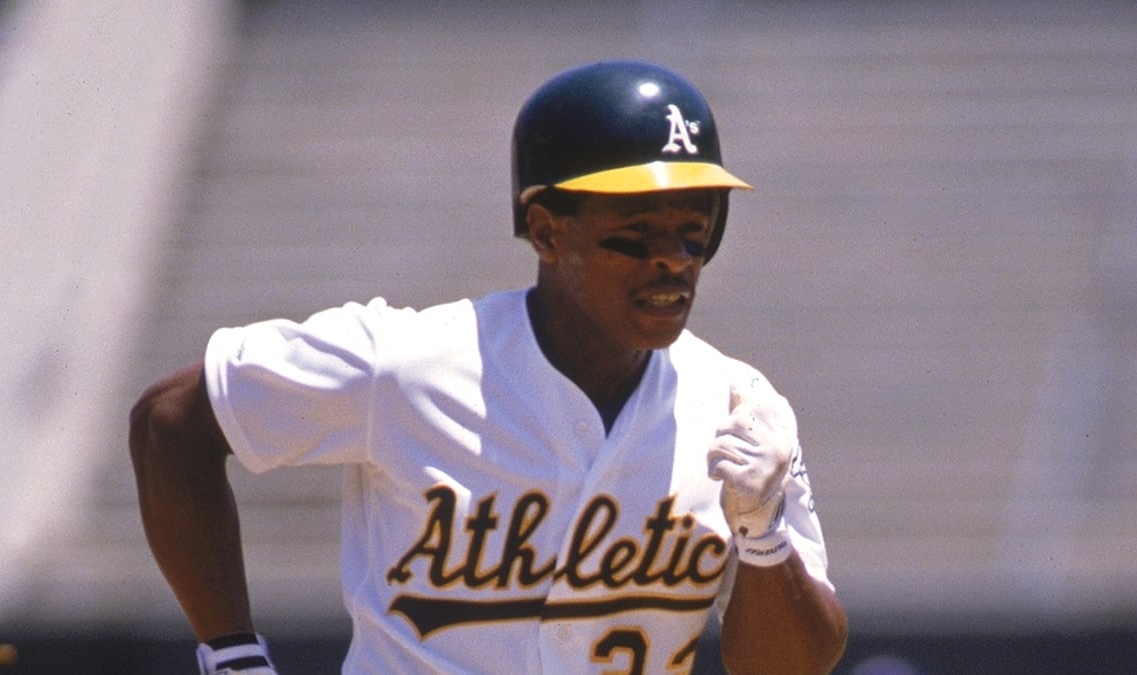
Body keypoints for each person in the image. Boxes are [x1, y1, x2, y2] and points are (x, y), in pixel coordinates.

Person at [130, 59, 848, 675]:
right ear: (545, 230)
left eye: (694, 233)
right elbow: (171, 421)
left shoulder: (737, 407)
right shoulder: (406, 364)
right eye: (636, 234)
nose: (672, 260)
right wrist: (232, 655)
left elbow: (794, 663)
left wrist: (764, 532)